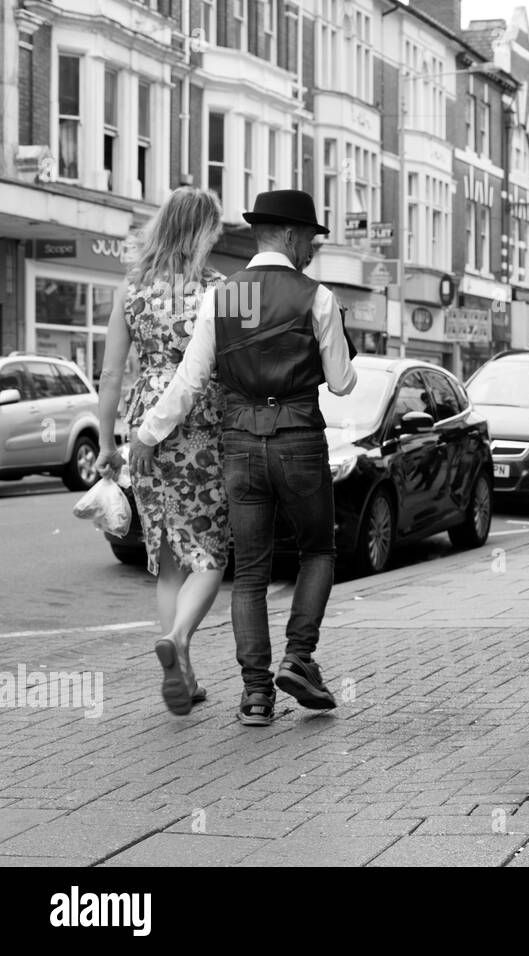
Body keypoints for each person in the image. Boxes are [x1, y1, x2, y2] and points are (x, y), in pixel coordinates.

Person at [133, 189, 357, 727]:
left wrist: (146, 434)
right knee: (317, 552)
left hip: (239, 444)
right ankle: (298, 657)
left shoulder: (224, 298)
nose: (312, 248)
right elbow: (343, 383)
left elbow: (190, 381)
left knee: (250, 571)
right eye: (309, 238)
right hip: (299, 440)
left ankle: (256, 695)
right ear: (288, 235)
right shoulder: (316, 296)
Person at [96, 186, 229, 717]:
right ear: (202, 231)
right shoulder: (221, 289)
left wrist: (107, 444)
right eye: (215, 229)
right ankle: (178, 639)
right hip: (202, 424)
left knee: (171, 559)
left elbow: (110, 374)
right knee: (212, 553)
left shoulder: (131, 288)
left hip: (142, 426)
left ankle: (185, 673)